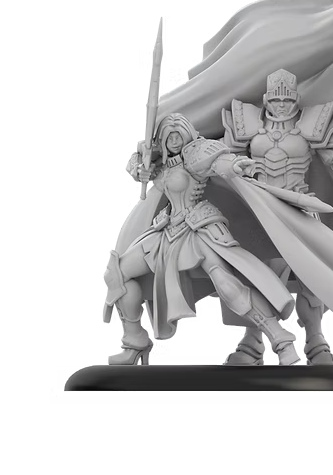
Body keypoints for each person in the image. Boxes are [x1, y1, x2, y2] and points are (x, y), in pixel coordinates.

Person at [103, 113, 299, 366]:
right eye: (169, 136)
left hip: (199, 228)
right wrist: (140, 168)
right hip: (166, 230)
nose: (174, 141)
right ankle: (135, 340)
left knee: (228, 286)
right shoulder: (159, 161)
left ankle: (281, 340)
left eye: (178, 135)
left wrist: (235, 165)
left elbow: (219, 162)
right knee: (116, 274)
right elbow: (136, 163)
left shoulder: (195, 154)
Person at [221, 69, 333, 365]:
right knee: (258, 275)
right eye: (275, 99)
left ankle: (315, 340)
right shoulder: (247, 125)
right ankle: (253, 341)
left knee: (311, 276)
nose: (281, 105)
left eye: (286, 99)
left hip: (300, 210)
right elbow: (224, 159)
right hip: (260, 212)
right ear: (266, 99)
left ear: (295, 99)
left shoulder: (310, 127)